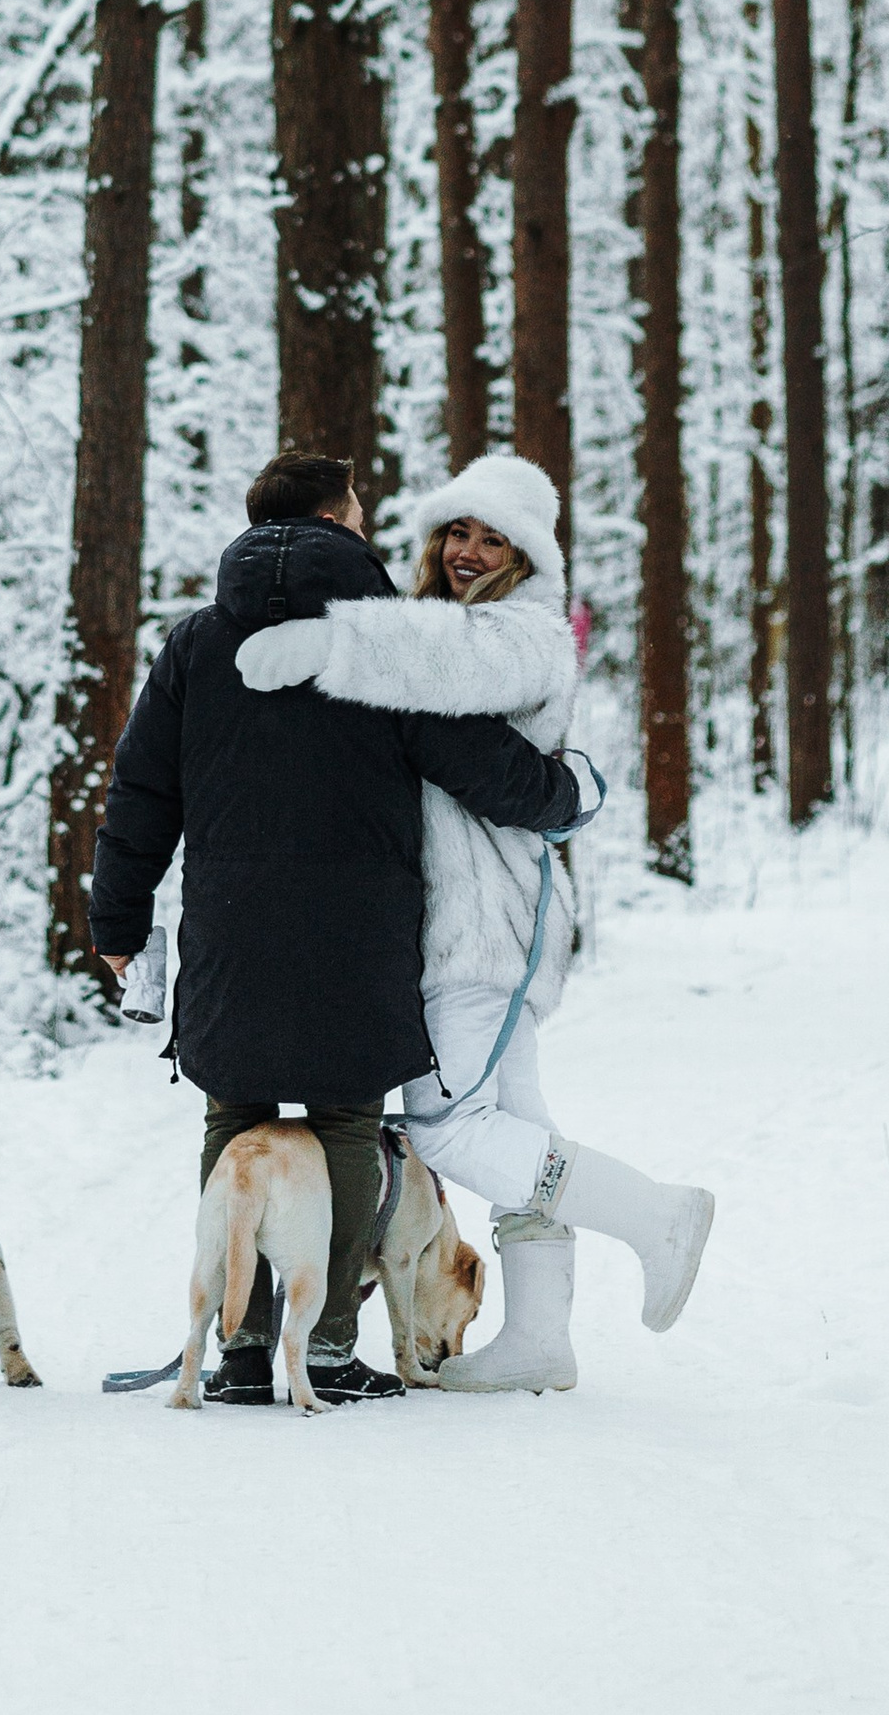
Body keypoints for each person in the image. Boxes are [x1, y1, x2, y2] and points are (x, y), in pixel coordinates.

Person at [89, 448, 583, 1404]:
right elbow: (473, 760)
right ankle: (324, 1349)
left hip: (229, 928)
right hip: (360, 931)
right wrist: (568, 794)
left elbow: (141, 790)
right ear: (339, 523)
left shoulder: (196, 643)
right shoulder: (380, 645)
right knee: (348, 1122)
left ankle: (238, 1349)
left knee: (233, 1118)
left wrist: (120, 917)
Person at [235, 452, 714, 1394]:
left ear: (529, 557)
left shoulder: (519, 632)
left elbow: (445, 664)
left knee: (451, 1129)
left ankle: (659, 1216)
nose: (469, 550)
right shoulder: (450, 625)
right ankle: (540, 1338)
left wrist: (333, 647)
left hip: (483, 928)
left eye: (495, 537)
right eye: (457, 530)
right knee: (519, 1127)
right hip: (462, 925)